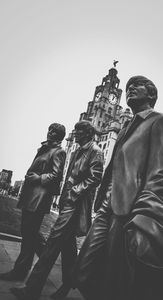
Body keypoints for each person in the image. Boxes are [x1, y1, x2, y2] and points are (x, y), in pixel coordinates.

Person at [71, 76, 163, 300]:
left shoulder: (161, 121)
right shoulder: (124, 129)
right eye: (128, 87)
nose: (130, 89)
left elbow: (159, 170)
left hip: (130, 206)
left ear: (151, 94)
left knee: (114, 273)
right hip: (108, 203)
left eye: (137, 85)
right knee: (85, 265)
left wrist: (144, 210)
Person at [10, 120, 104, 300]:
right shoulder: (77, 151)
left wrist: (74, 192)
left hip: (76, 204)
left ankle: (31, 289)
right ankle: (68, 285)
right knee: (69, 251)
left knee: (52, 244)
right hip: (67, 203)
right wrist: (64, 197)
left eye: (78, 130)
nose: (74, 133)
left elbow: (96, 177)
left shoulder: (96, 151)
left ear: (87, 133)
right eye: (75, 130)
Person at [0, 123, 66, 282]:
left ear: (60, 136)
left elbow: (56, 175)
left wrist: (38, 178)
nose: (50, 133)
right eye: (50, 130)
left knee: (30, 235)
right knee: (30, 234)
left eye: (55, 131)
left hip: (39, 198)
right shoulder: (45, 149)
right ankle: (44, 260)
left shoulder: (59, 152)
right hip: (31, 196)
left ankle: (21, 270)